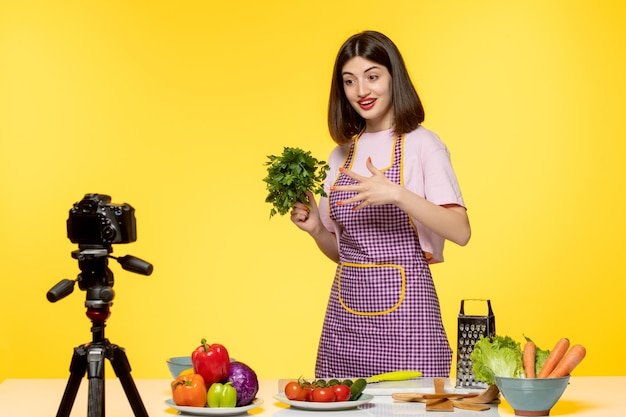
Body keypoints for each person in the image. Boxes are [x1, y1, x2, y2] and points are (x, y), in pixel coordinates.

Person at [290, 30, 470, 378]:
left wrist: (398, 194)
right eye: (350, 81)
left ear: (393, 77)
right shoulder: (341, 154)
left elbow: (461, 231)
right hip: (345, 324)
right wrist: (315, 230)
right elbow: (345, 254)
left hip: (408, 323)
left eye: (373, 76)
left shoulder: (423, 144)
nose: (362, 91)